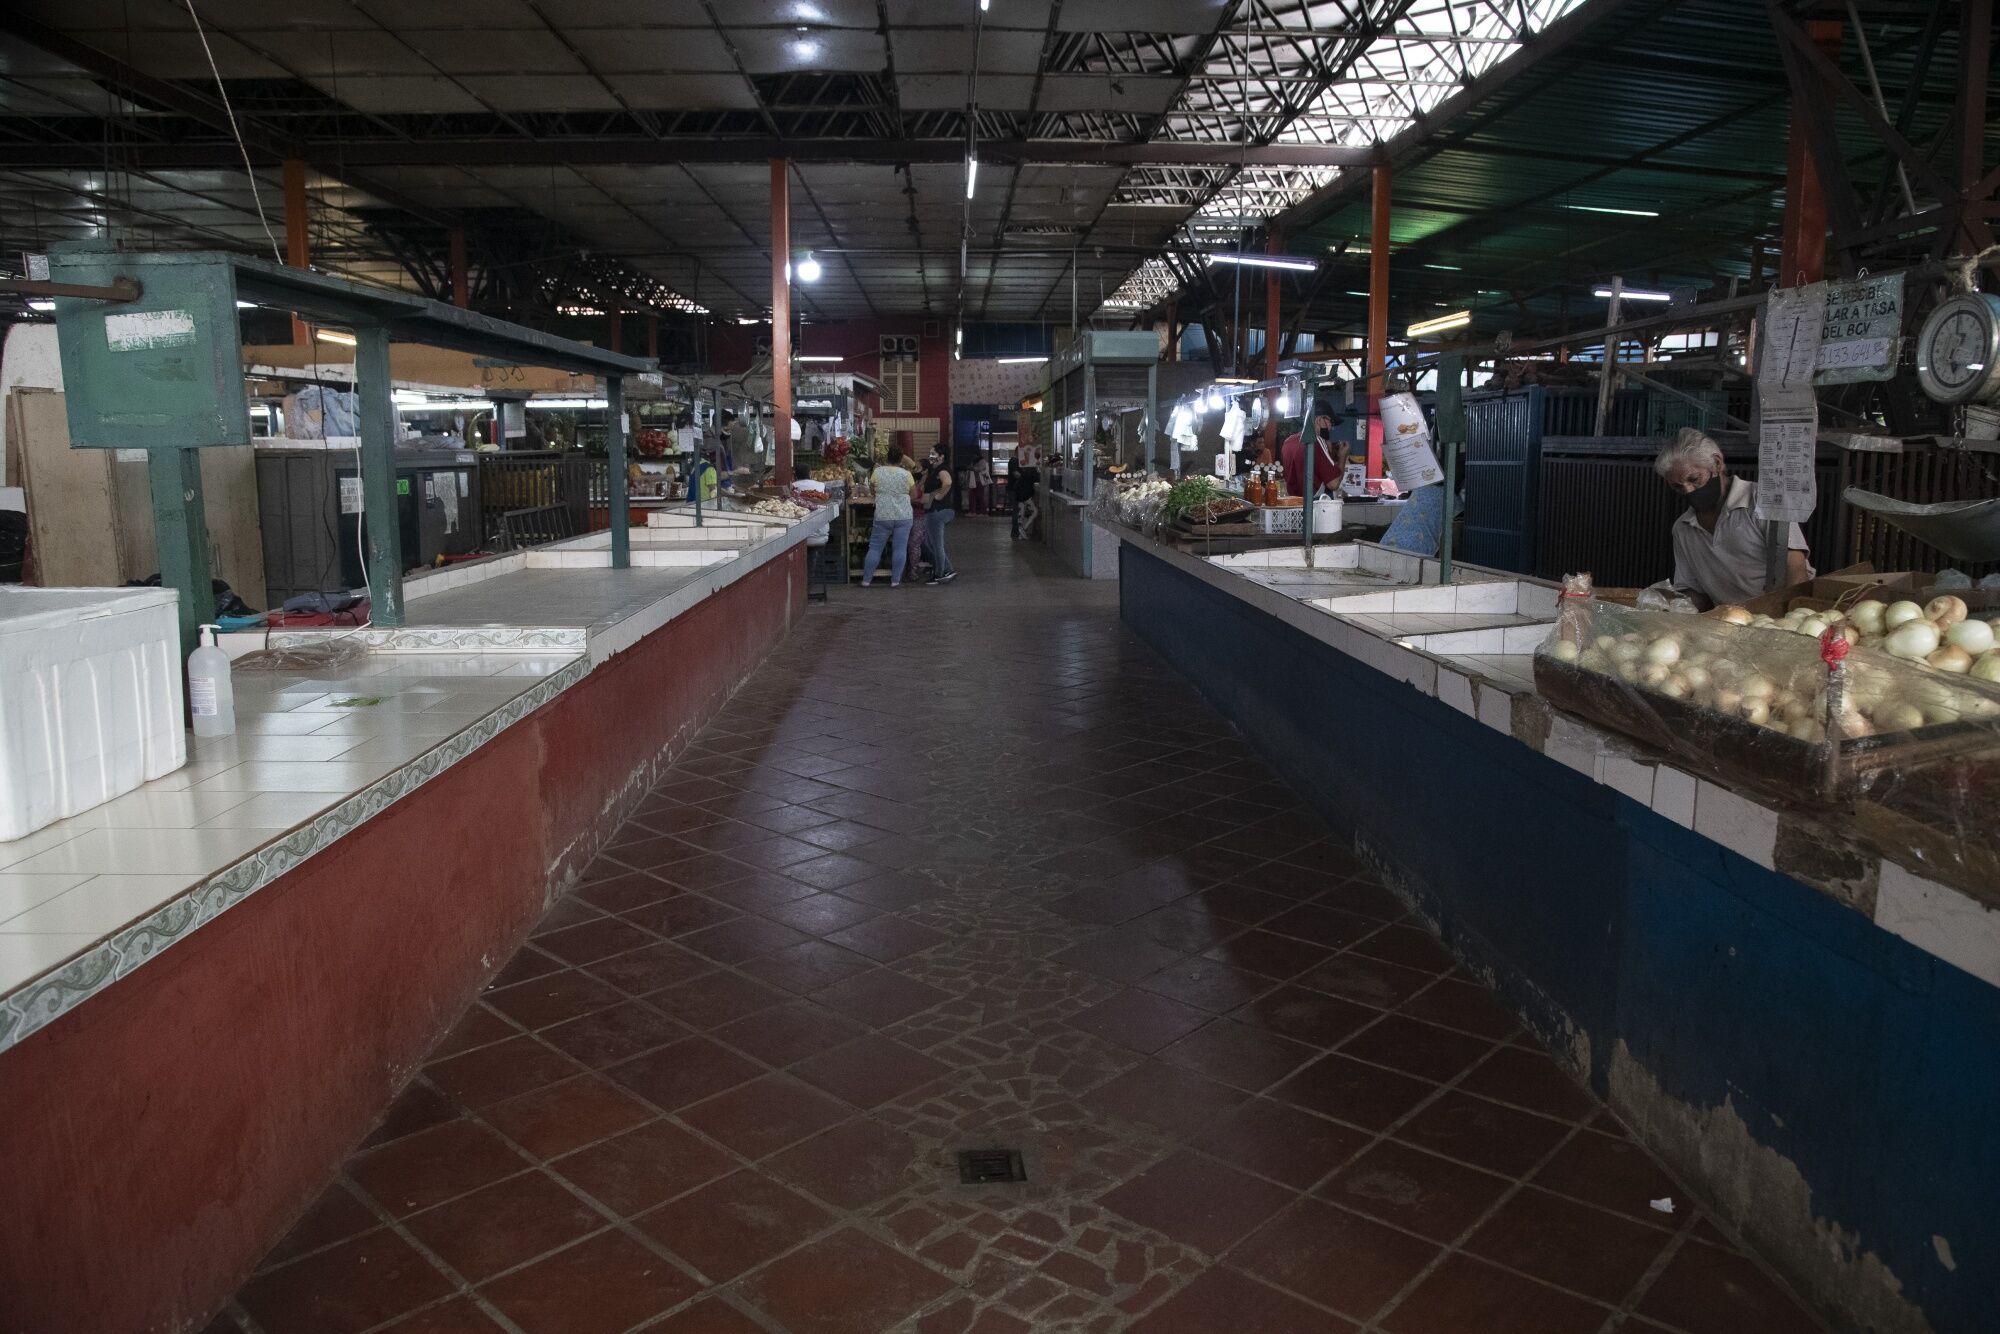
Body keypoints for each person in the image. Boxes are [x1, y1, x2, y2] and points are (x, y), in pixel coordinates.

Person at [1653, 427, 1812, 608]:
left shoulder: (1761, 501)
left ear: (1717, 464)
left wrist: (1790, 616)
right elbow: (1696, 594)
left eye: (1694, 478)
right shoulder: (1683, 529)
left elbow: (1796, 570)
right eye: (1678, 487)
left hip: (1778, 615)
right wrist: (1667, 605)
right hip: (1732, 622)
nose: (1688, 490)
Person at [859, 445, 917, 587]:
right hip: (903, 516)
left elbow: (873, 491)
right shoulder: (906, 474)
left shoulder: (877, 472)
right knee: (900, 548)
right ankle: (895, 581)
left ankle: (866, 580)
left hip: (883, 515)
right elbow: (914, 495)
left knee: (875, 548)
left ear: (887, 457)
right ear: (901, 459)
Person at [1281, 403, 1346, 498]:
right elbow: (1334, 484)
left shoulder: (1288, 442)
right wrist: (1343, 456)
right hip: (1313, 505)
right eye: (1330, 422)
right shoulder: (1316, 441)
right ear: (1319, 420)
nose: (1330, 427)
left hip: (1293, 502)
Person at [918, 442, 958, 584]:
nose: (931, 456)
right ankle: (947, 569)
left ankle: (940, 573)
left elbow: (947, 483)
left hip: (938, 511)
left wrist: (939, 496)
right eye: (930, 453)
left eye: (933, 454)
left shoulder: (942, 469)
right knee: (930, 543)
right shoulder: (935, 470)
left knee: (936, 544)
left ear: (941, 456)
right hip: (934, 511)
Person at [1011, 446, 1042, 540]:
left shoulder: (1026, 466)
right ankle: (1023, 529)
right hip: (1025, 493)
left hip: (1019, 491)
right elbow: (1037, 479)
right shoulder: (1033, 468)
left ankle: (1020, 530)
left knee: (1021, 511)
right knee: (1035, 511)